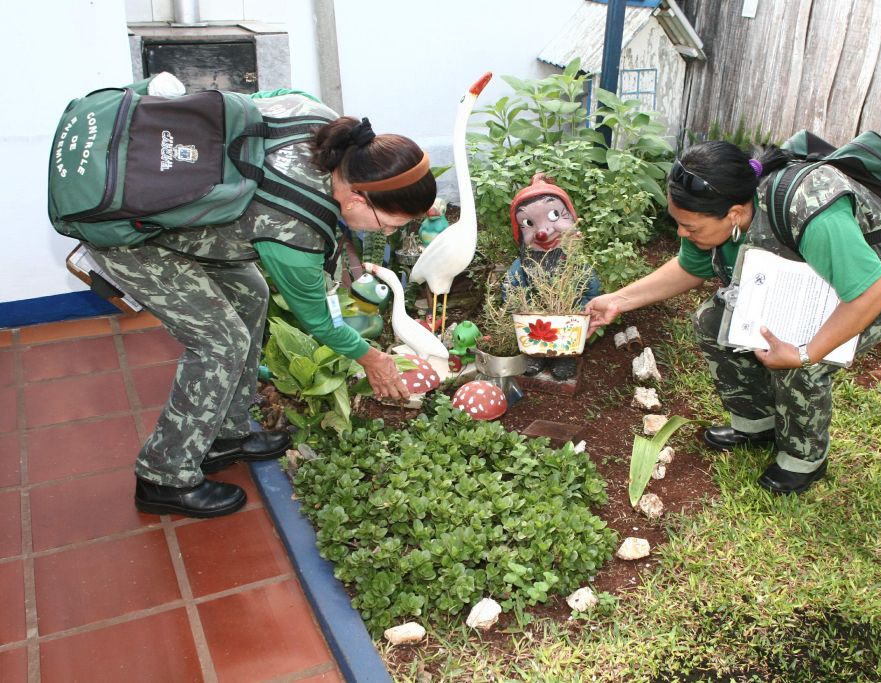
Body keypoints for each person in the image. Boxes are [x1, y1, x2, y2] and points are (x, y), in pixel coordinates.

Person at [85, 90, 433, 517]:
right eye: (391, 225)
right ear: (358, 199)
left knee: (254, 294)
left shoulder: (322, 124)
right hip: (132, 237)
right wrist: (373, 358)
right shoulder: (296, 233)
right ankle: (163, 476)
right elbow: (319, 323)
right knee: (220, 344)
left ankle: (225, 434)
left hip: (194, 221)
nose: (391, 234)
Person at [585, 140, 881, 494]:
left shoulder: (808, 211)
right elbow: (689, 268)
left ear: (734, 214)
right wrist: (618, 300)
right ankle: (758, 424)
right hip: (805, 276)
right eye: (678, 223)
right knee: (714, 322)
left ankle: (803, 459)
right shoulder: (714, 212)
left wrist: (804, 353)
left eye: (690, 227)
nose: (681, 233)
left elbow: (873, 292)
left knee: (801, 363)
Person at [501, 173, 601, 380]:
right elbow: (511, 289)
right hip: (533, 325)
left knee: (565, 341)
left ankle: (564, 358)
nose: (542, 232)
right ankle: (535, 356)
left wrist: (581, 310)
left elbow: (591, 288)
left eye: (554, 215)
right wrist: (526, 309)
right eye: (528, 223)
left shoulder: (576, 263)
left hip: (567, 324)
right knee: (533, 339)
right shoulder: (523, 266)